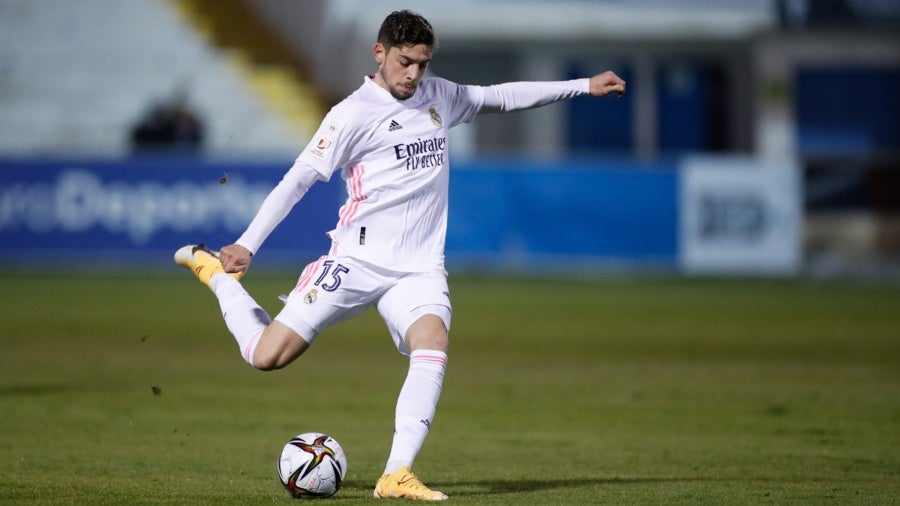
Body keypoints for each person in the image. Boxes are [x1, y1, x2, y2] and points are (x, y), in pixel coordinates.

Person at [175, 9, 625, 501]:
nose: (413, 74)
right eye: (405, 62)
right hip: (355, 261)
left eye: (422, 64)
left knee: (432, 342)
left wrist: (583, 85)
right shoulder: (351, 115)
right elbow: (298, 180)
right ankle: (217, 276)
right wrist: (247, 243)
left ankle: (397, 474)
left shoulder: (440, 97)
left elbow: (501, 97)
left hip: (419, 268)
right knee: (267, 356)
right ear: (380, 53)